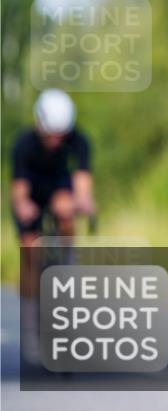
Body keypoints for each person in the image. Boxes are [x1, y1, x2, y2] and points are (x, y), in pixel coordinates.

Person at [11, 88, 95, 363]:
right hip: (31, 192)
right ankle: (30, 323)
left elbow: (82, 182)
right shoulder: (24, 145)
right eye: (52, 135)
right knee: (30, 250)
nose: (57, 141)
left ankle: (67, 260)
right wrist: (24, 208)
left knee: (66, 208)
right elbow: (19, 192)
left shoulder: (79, 141)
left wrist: (85, 202)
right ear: (39, 125)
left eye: (62, 135)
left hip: (58, 186)